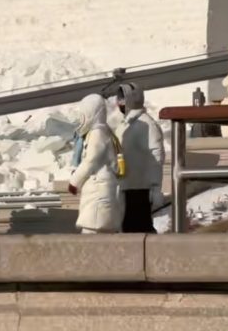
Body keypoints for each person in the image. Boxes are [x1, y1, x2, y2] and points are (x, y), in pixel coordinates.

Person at [68, 93, 122, 234]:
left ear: (92, 113)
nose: (81, 119)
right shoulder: (104, 131)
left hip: (98, 191)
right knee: (102, 231)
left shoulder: (97, 133)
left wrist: (74, 182)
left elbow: (90, 160)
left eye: (84, 114)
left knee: (91, 231)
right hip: (100, 189)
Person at [115, 82, 165, 233]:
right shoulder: (125, 124)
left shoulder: (148, 124)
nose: (119, 103)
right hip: (125, 188)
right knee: (128, 232)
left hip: (140, 190)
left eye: (123, 98)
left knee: (139, 233)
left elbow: (156, 156)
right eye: (118, 99)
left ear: (132, 98)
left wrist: (155, 188)